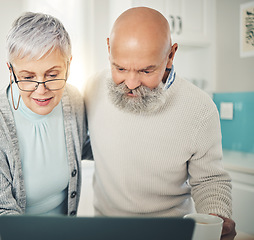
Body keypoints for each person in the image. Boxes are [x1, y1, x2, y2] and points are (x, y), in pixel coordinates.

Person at [83, 7, 236, 240]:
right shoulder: (93, 88)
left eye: (146, 70)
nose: (131, 82)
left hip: (170, 234)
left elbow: (209, 180)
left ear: (171, 55)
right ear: (108, 48)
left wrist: (216, 216)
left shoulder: (200, 109)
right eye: (120, 68)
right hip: (105, 232)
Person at [0, 12, 88, 239]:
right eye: (28, 77)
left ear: (68, 65)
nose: (41, 89)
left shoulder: (74, 101)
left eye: (52, 74)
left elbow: (93, 144)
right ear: (11, 71)